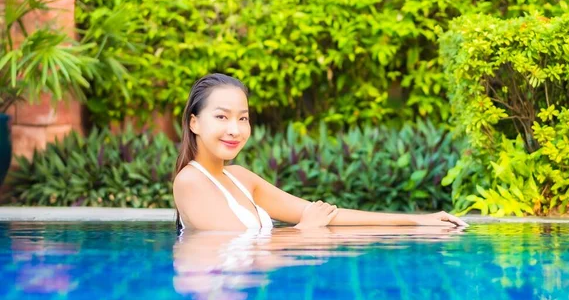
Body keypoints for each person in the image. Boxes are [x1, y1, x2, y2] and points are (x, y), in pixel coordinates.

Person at [172, 73, 469, 232]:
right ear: (194, 122)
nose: (235, 129)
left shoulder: (239, 177)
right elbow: (233, 247)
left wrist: (417, 221)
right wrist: (302, 232)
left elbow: (324, 215)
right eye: (222, 117)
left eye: (243, 117)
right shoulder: (190, 182)